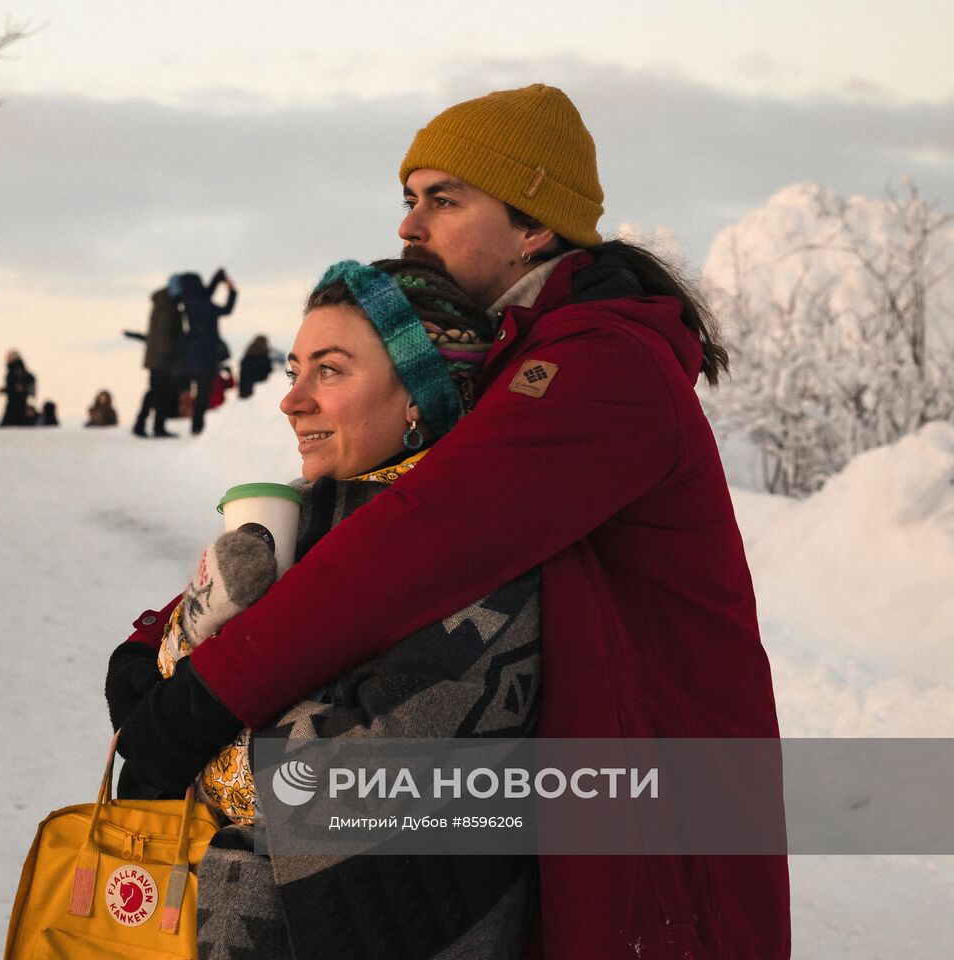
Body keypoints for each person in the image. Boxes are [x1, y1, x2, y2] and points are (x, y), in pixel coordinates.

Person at [110, 84, 788, 958]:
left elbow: (417, 540)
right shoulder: (509, 358)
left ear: (534, 226)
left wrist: (204, 700)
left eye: (444, 198)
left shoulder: (603, 367)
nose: (409, 226)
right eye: (408, 197)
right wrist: (162, 641)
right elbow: (356, 517)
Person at [112, 258, 537, 959]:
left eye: (331, 371)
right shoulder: (296, 516)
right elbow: (140, 685)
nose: (292, 400)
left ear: (418, 398)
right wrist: (197, 626)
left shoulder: (476, 547)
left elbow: (346, 781)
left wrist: (186, 719)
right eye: (293, 370)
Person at [174, 268, 237, 435]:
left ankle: (197, 425)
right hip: (206, 354)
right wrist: (232, 290)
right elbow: (226, 309)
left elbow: (207, 291)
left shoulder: (189, 301)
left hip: (194, 353)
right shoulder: (202, 303)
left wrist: (218, 277)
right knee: (204, 392)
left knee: (201, 390)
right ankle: (197, 427)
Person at [126, 283, 187, 438]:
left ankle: (141, 424)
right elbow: (165, 334)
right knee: (161, 393)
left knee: (155, 392)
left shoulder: (161, 304)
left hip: (156, 358)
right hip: (162, 360)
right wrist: (169, 357)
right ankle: (155, 426)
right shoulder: (169, 307)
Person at [0, 349, 37, 427]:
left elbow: (18, 388)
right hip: (18, 404)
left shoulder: (16, 371)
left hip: (16, 405)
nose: (7, 359)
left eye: (9, 357)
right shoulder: (16, 370)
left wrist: (6, 389)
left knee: (9, 426)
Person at [237, 335, 273, 399]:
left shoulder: (248, 355)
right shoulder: (264, 356)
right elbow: (269, 370)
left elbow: (242, 372)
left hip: (246, 387)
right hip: (261, 387)